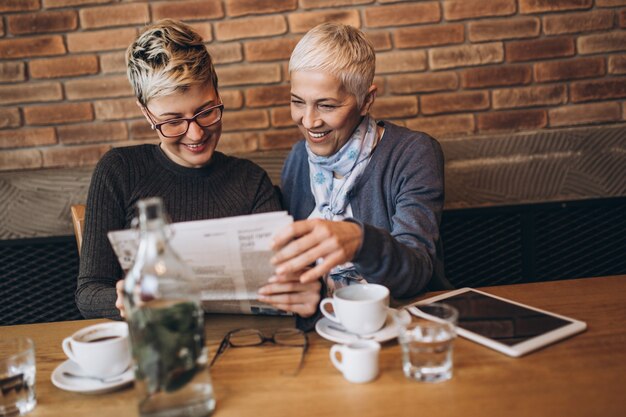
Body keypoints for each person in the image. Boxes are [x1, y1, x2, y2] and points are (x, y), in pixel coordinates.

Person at [75, 19, 320, 321]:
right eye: (173, 121)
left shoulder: (250, 180)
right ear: (146, 112)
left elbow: (290, 281)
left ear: (217, 92)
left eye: (206, 112)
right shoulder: (119, 171)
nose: (196, 134)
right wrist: (126, 297)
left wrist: (304, 291)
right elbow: (88, 293)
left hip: (243, 345)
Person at [269, 23, 452, 303]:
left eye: (327, 105)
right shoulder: (297, 158)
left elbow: (417, 270)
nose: (308, 121)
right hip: (321, 320)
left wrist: (360, 241)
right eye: (297, 102)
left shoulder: (413, 152)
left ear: (366, 100)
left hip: (401, 316)